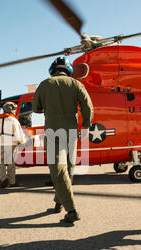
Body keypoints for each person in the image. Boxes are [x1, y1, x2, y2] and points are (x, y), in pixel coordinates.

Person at [33, 56, 93, 223]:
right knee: (69, 169)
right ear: (69, 69)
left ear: (53, 69)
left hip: (53, 133)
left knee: (58, 171)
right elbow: (88, 106)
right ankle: (59, 202)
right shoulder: (76, 84)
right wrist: (86, 126)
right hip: (71, 133)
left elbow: (35, 108)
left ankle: (71, 210)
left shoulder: (45, 84)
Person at [0, 102, 27, 188]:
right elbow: (19, 133)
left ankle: (4, 179)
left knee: (1, 162)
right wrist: (21, 141)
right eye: (14, 109)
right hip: (12, 143)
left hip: (2, 142)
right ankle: (12, 182)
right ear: (11, 110)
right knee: (10, 163)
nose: (15, 111)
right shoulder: (14, 120)